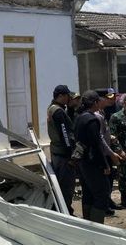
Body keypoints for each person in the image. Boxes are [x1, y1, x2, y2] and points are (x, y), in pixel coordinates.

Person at [74, 90, 110, 224]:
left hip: (82, 162)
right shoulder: (91, 119)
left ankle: (87, 223)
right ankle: (97, 226)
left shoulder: (79, 117)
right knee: (102, 194)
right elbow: (96, 144)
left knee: (88, 192)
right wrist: (104, 165)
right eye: (99, 101)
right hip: (92, 162)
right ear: (95, 103)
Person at [94, 89, 124, 215]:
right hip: (102, 152)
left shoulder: (102, 111)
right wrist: (111, 153)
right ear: (100, 99)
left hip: (106, 150)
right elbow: (99, 137)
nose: (111, 100)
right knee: (103, 180)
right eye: (108, 98)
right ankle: (103, 205)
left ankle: (108, 200)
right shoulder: (95, 114)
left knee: (109, 179)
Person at [47, 85, 76, 214]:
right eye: (67, 96)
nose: (68, 99)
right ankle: (65, 211)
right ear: (60, 96)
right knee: (66, 186)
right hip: (63, 154)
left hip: (57, 152)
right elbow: (65, 134)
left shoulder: (53, 108)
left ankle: (62, 209)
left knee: (61, 184)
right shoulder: (58, 111)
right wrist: (71, 155)